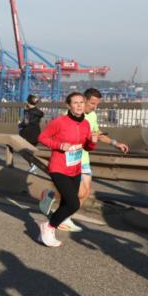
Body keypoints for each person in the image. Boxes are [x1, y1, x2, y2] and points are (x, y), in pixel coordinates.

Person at [45, 87, 130, 232]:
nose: (94, 107)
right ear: (84, 100)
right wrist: (61, 146)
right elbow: (50, 136)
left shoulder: (92, 116)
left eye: (97, 104)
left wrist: (116, 143)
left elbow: (97, 134)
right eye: (92, 103)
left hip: (83, 158)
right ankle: (53, 200)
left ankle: (63, 216)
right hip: (68, 161)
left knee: (85, 192)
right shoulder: (68, 115)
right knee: (76, 193)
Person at [35, 92, 96, 247]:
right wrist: (60, 145)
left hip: (75, 169)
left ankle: (46, 233)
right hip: (58, 167)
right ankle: (48, 227)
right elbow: (42, 138)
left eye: (81, 102)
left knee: (65, 203)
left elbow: (87, 147)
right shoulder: (59, 122)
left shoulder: (86, 124)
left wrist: (92, 141)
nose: (79, 105)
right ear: (68, 106)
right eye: (75, 103)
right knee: (74, 203)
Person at [17, 94, 46, 175]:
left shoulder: (28, 112)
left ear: (28, 102)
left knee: (22, 150)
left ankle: (33, 164)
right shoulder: (38, 112)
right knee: (31, 151)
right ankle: (33, 166)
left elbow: (26, 123)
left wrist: (20, 124)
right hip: (36, 133)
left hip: (28, 134)